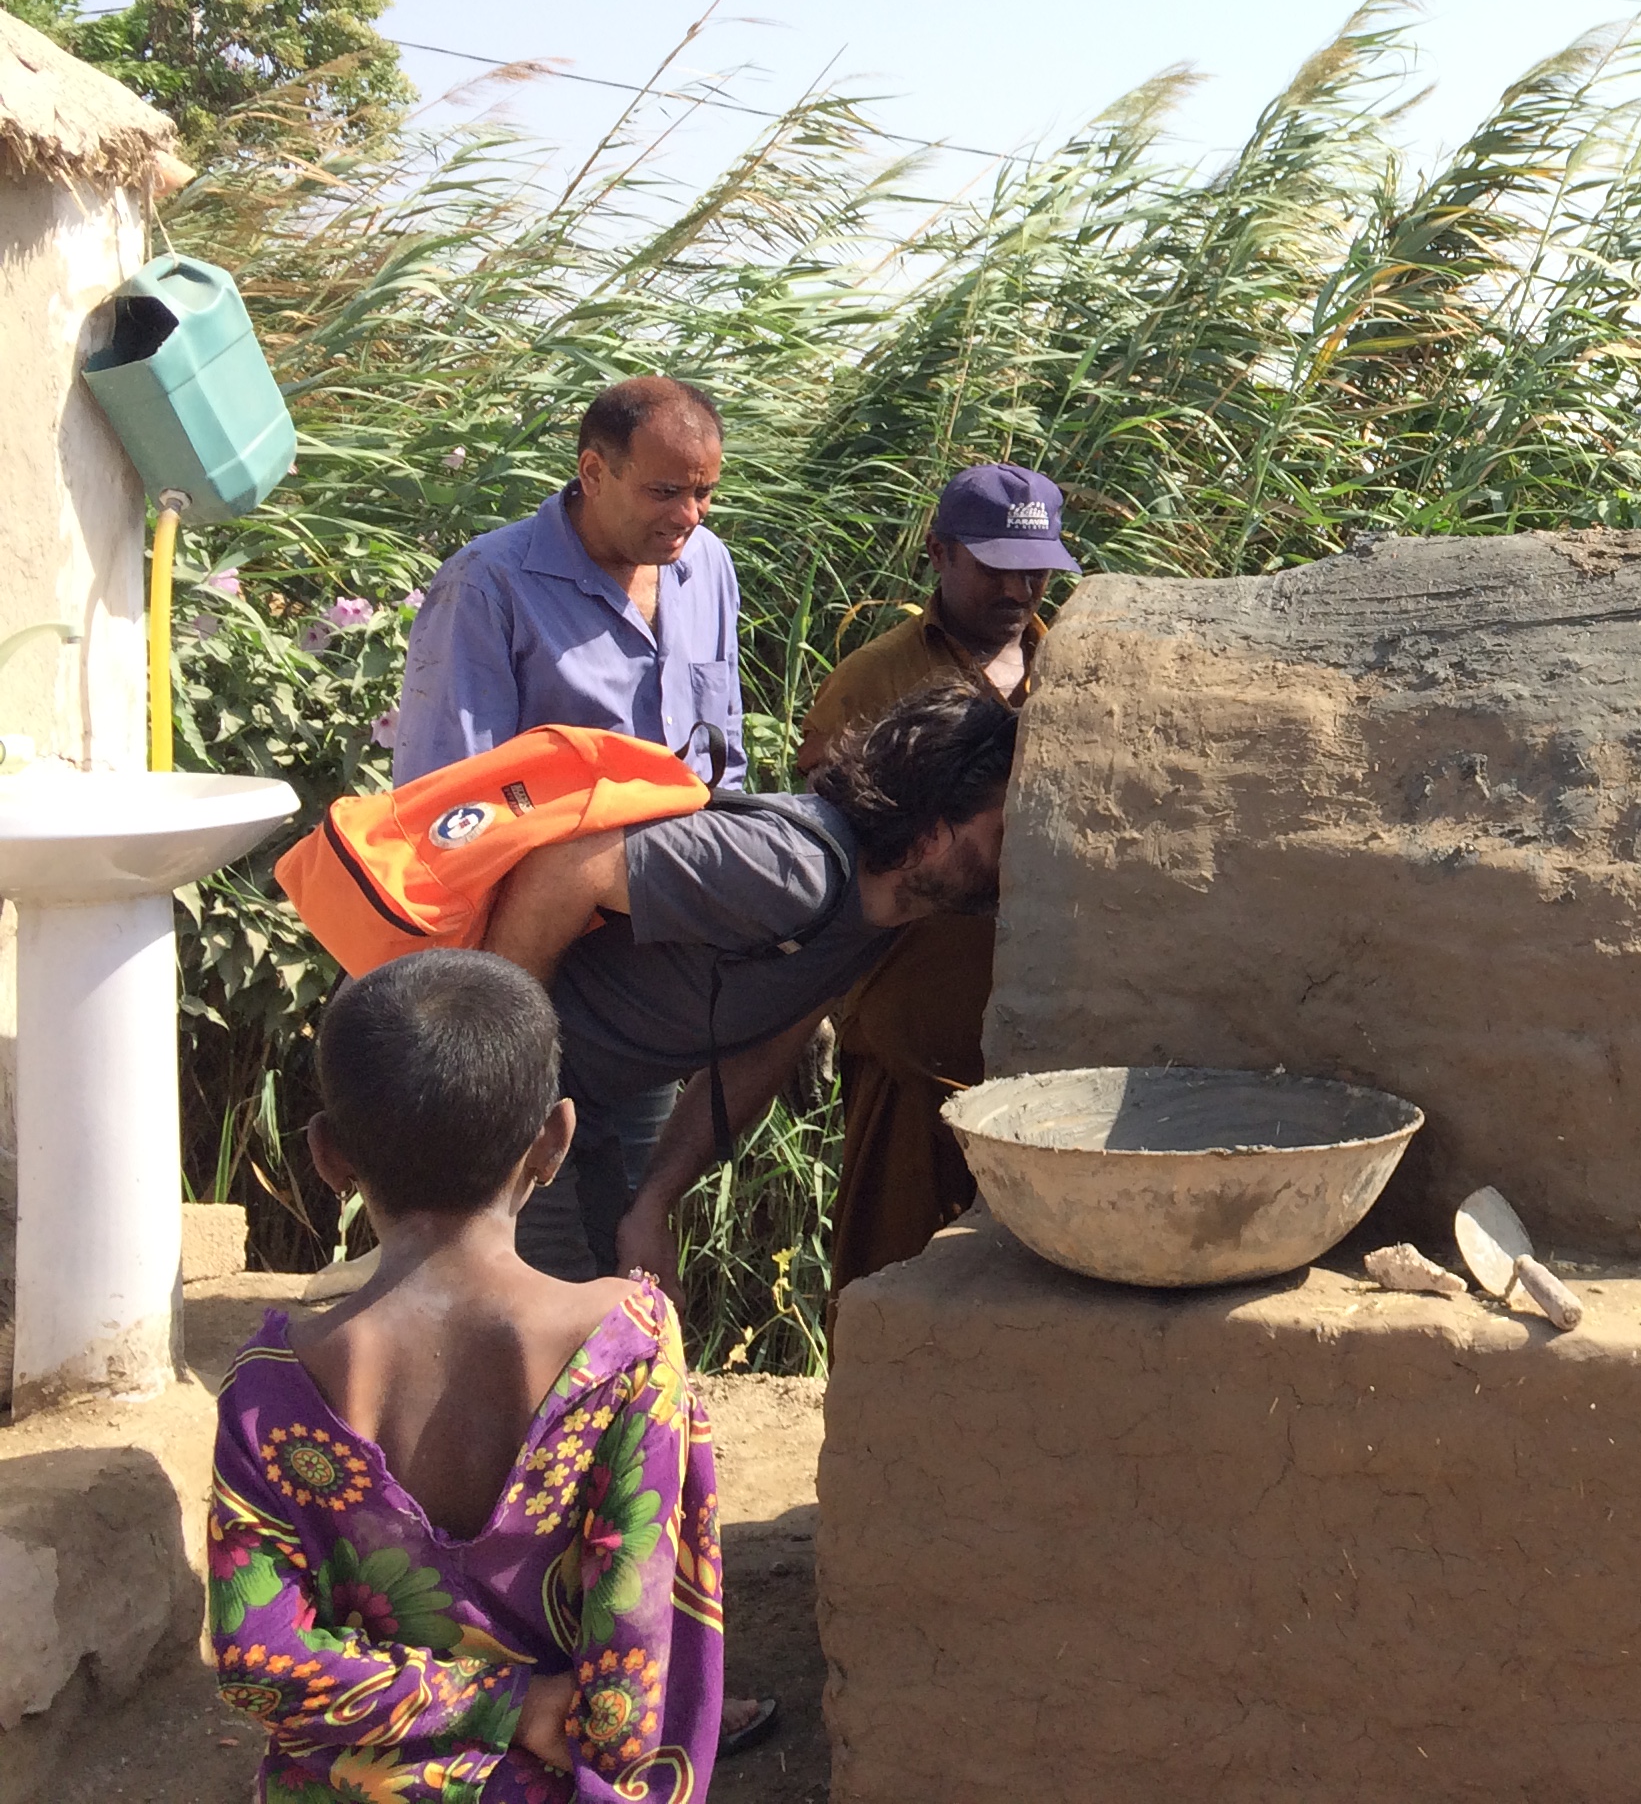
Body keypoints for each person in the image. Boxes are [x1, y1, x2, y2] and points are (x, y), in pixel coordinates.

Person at [209, 950, 723, 1798]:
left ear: (329, 1155)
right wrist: (521, 1704)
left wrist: (491, 1703)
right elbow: (635, 1676)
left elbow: (256, 1662)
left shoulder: (272, 1390)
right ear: (554, 1139)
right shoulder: (627, 1347)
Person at [482, 684, 1017, 1297]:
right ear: (932, 832)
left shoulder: (880, 919)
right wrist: (503, 1079)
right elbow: (570, 864)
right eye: (1003, 833)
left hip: (579, 1109)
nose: (1017, 858)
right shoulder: (790, 868)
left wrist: (651, 1205)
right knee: (561, 1342)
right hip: (501, 1098)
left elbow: (764, 1051)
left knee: (613, 1326)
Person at [796, 464, 1074, 1300]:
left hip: (1046, 1054)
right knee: (893, 1283)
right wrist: (804, 1004)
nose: (1020, 587)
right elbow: (822, 868)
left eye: (1037, 569)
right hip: (909, 1042)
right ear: (940, 553)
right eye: (995, 565)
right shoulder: (872, 683)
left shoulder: (1080, 677)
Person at [394, 375, 748, 787]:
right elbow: (447, 795)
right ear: (594, 473)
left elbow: (725, 758)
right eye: (664, 492)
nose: (689, 515)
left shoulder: (709, 562)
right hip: (559, 848)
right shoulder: (484, 586)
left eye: (703, 492)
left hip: (698, 839)